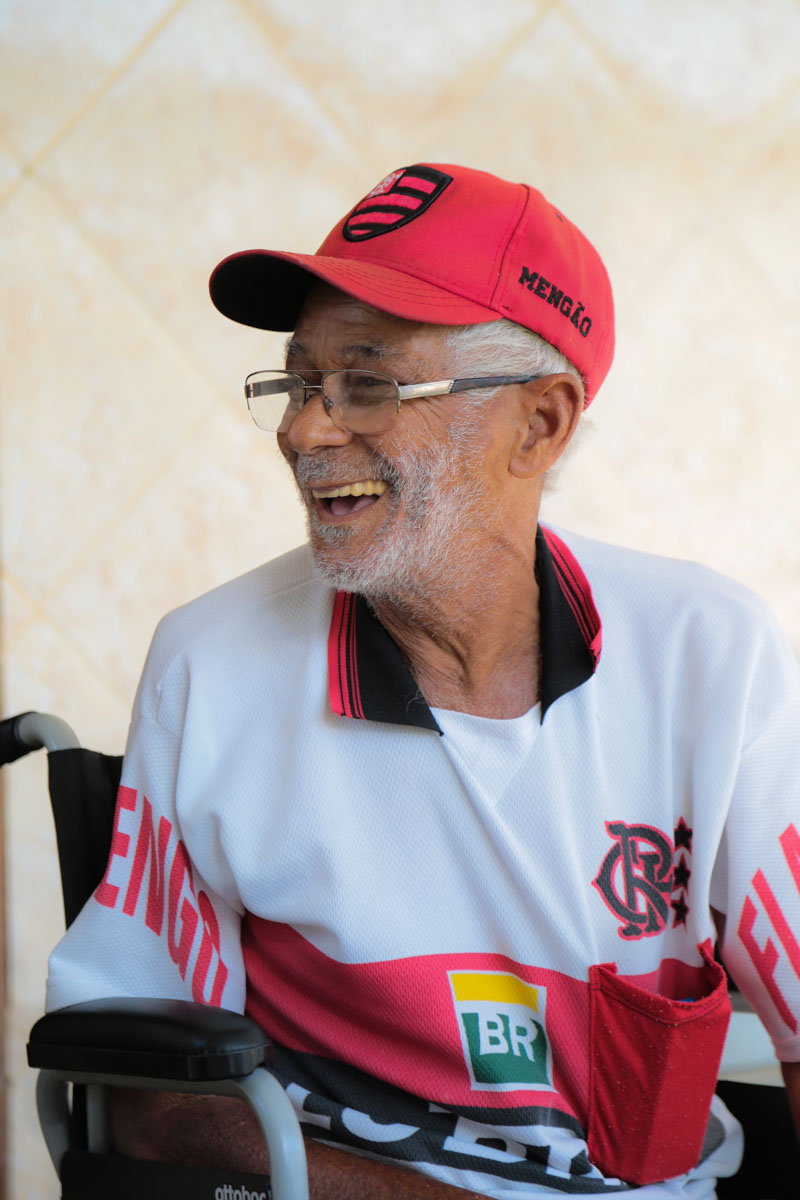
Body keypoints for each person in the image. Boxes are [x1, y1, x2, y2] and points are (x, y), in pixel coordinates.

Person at [47, 163, 800, 1198]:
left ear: (538, 424)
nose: (304, 431)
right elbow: (145, 1093)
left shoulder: (709, 657)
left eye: (368, 384)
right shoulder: (210, 665)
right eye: (298, 383)